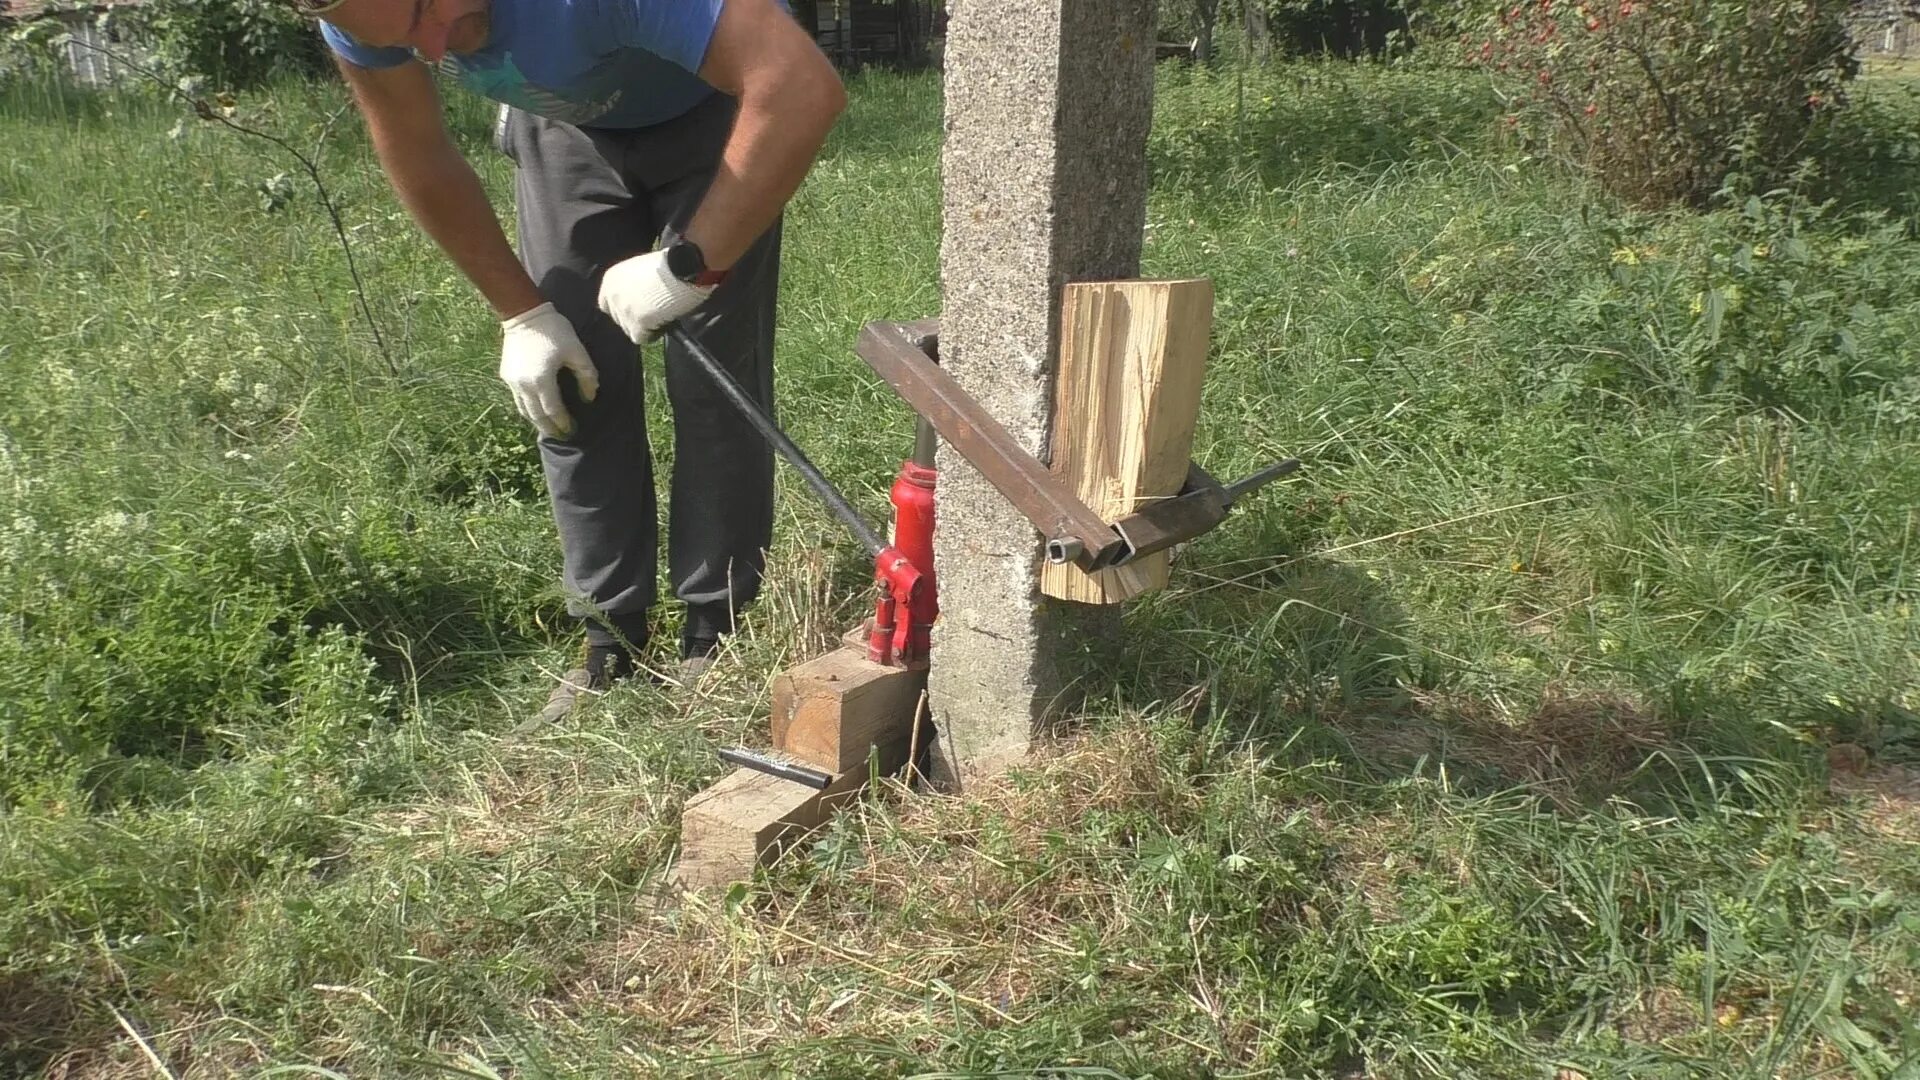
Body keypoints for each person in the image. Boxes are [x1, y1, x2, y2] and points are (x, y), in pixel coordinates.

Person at [299, 0, 846, 722]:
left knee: (712, 379)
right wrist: (521, 314)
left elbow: (799, 84)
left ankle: (714, 631)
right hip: (568, 129)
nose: (433, 48)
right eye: (403, 37)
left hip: (718, 109)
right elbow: (418, 151)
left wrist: (689, 265)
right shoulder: (357, 15)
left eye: (428, 9)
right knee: (570, 377)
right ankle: (610, 641)